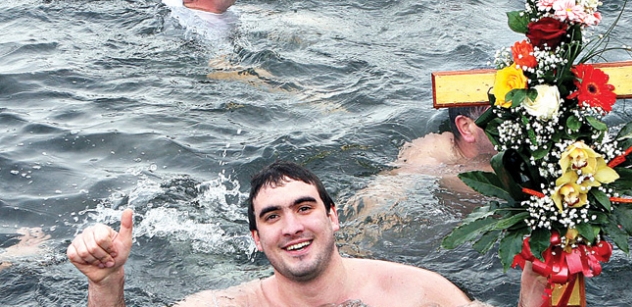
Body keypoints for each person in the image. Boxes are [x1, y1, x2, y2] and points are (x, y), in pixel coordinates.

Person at [67, 160, 545, 307]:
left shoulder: (417, 294)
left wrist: (536, 288)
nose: (292, 227)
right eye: (272, 217)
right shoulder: (223, 305)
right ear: (256, 240)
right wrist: (106, 285)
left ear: (333, 218)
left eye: (304, 208)